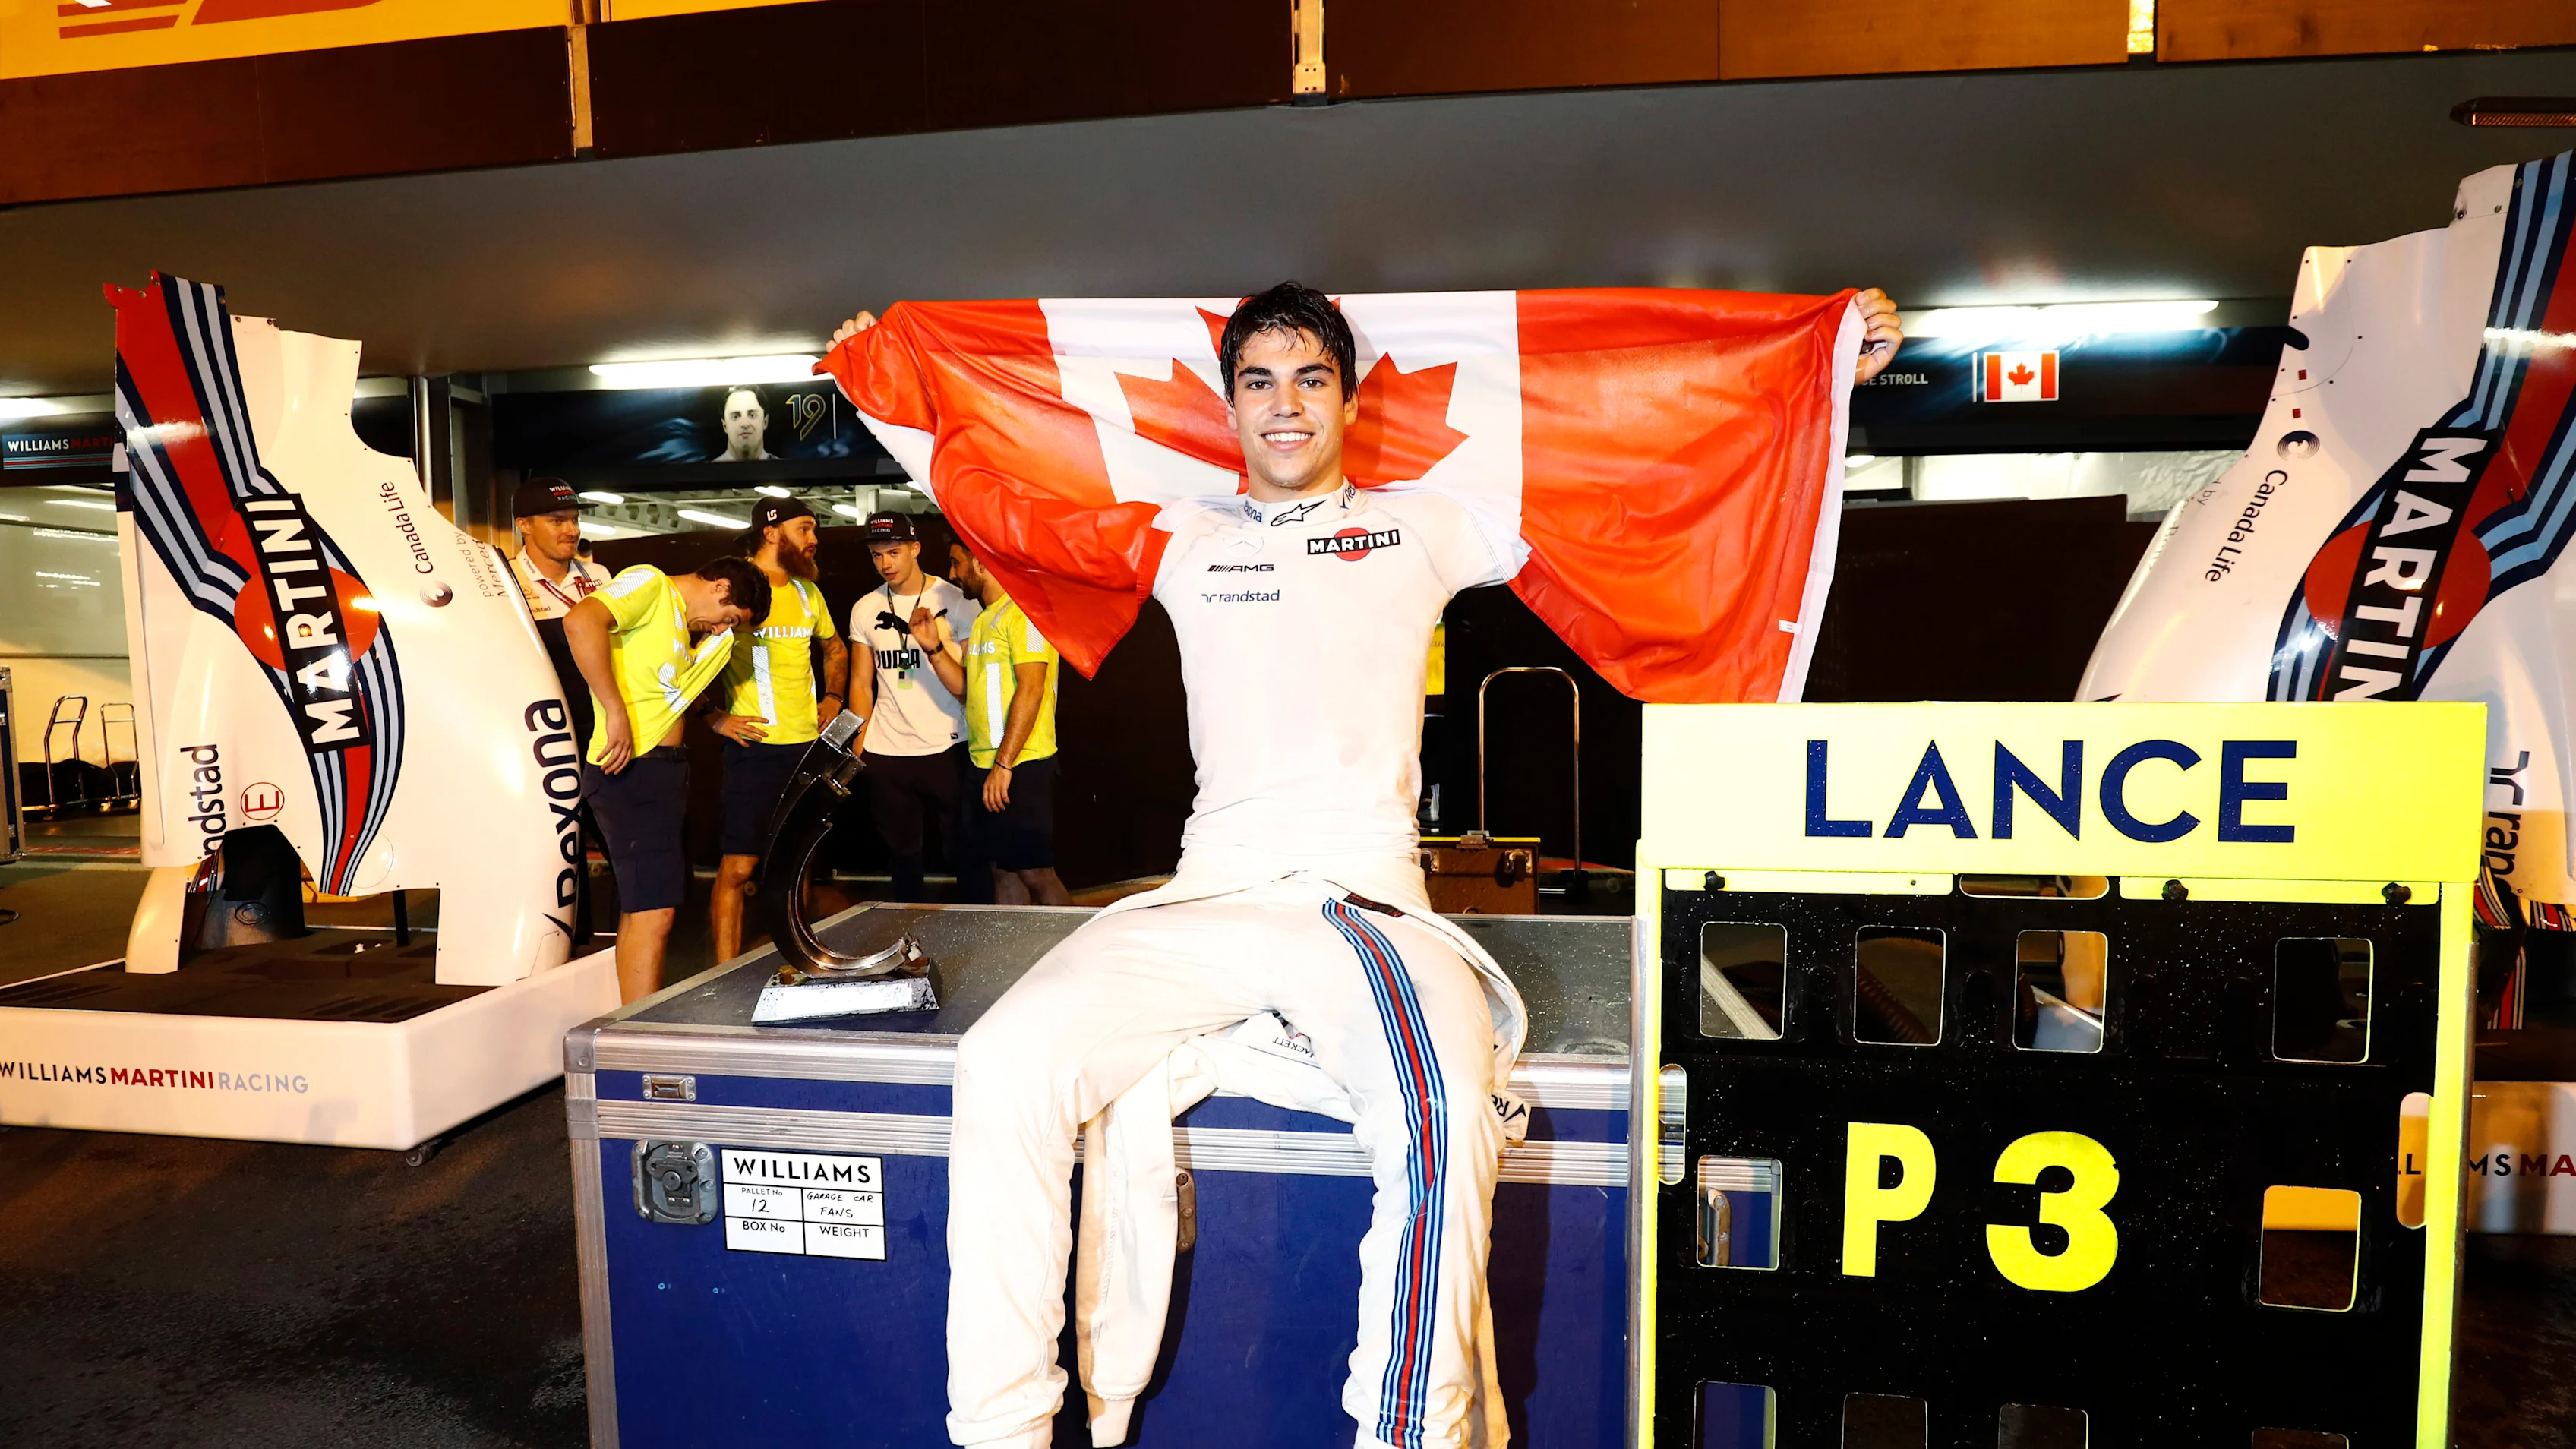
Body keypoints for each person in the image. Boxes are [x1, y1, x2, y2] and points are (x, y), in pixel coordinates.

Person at [830, 281, 1903, 1449]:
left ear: (1344, 398)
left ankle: (1406, 1435)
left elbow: (1637, 454)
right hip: (1206, 891)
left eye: (1310, 380)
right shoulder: (1182, 531)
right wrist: (890, 385)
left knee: (1442, 1121)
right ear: (1228, 403)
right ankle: (1001, 1432)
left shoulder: (1427, 523)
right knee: (1001, 1065)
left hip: (1362, 904)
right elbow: (1014, 498)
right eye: (1258, 381)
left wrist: (1814, 375)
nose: (1284, 405)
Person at [563, 554, 772, 1002]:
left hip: (660, 769)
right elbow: (581, 621)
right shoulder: (651, 583)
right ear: (720, 588)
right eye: (728, 618)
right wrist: (613, 709)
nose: (721, 628)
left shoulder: (680, 623)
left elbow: (667, 686)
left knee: (646, 908)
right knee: (653, 912)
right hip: (632, 767)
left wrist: (713, 718)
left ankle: (629, 1024)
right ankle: (636, 1043)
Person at [707, 496, 851, 961]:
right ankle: (720, 974)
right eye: (805, 529)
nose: (814, 540)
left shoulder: (809, 594)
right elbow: (680, 654)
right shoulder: (733, 586)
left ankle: (792, 960)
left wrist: (832, 698)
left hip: (805, 749)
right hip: (754, 747)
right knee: (739, 867)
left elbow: (835, 649)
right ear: (772, 532)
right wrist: (714, 718)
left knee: (797, 865)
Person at [914, 535, 1070, 906]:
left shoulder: (1027, 615)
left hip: (1021, 764)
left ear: (982, 562)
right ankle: (1012, 960)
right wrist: (933, 647)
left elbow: (1031, 690)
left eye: (957, 563)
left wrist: (1004, 764)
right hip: (983, 765)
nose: (953, 574)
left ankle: (1074, 956)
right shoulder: (985, 620)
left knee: (1036, 872)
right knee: (1001, 869)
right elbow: (970, 690)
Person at [851, 511, 980, 901]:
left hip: (948, 745)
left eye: (893, 552)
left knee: (965, 853)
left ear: (915, 549)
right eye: (877, 555)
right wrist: (860, 739)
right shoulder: (864, 608)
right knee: (903, 856)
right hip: (887, 749)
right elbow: (861, 680)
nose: (886, 563)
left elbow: (972, 682)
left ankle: (978, 940)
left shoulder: (955, 600)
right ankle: (908, 946)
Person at [714, 386, 775, 462]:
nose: (745, 424)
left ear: (765, 422)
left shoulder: (787, 469)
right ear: (725, 426)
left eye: (752, 415)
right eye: (735, 417)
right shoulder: (706, 473)